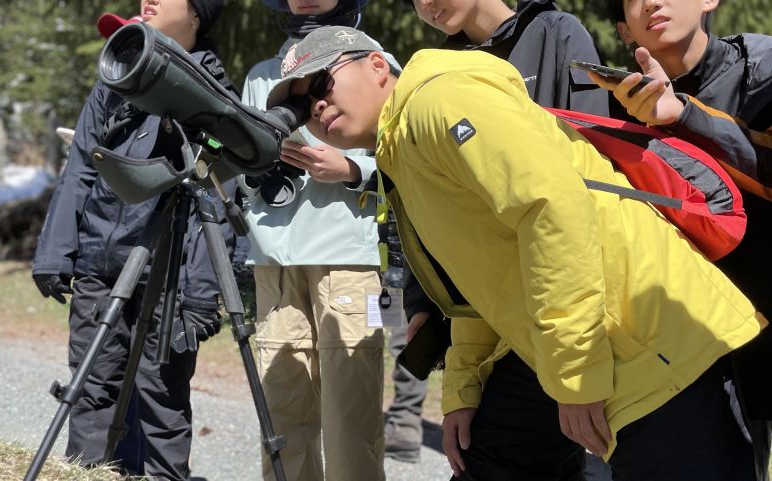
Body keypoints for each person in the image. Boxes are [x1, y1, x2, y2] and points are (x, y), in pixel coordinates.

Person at [266, 25, 767, 480]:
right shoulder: (401, 148)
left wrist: (574, 378)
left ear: (377, 67)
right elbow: (477, 282)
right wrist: (464, 390)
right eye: (300, 107)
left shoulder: (439, 99)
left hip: (656, 346)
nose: (316, 108)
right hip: (579, 343)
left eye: (321, 85)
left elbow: (553, 210)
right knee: (488, 454)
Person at [389, 0, 613, 468]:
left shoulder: (556, 33)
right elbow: (431, 206)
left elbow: (589, 176)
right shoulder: (438, 68)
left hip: (577, 305)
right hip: (492, 313)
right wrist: (423, 300)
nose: (425, 6)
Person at [31, 1, 237, 479]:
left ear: (196, 15)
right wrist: (56, 251)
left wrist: (202, 295)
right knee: (91, 386)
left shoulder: (212, 93)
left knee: (161, 396)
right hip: (100, 266)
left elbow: (219, 198)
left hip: (169, 276)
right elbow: (81, 164)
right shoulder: (115, 75)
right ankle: (89, 473)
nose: (147, 1)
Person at [589, 0, 772, 478]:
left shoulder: (762, 68)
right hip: (685, 346)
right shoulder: (609, 102)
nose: (649, 2)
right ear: (622, 30)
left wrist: (682, 115)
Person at [238, 1, 402, 480]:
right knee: (282, 411)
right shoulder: (263, 75)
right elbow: (243, 167)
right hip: (274, 262)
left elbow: (405, 148)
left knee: (350, 415)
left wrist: (351, 169)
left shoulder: (368, 58)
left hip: (348, 258)